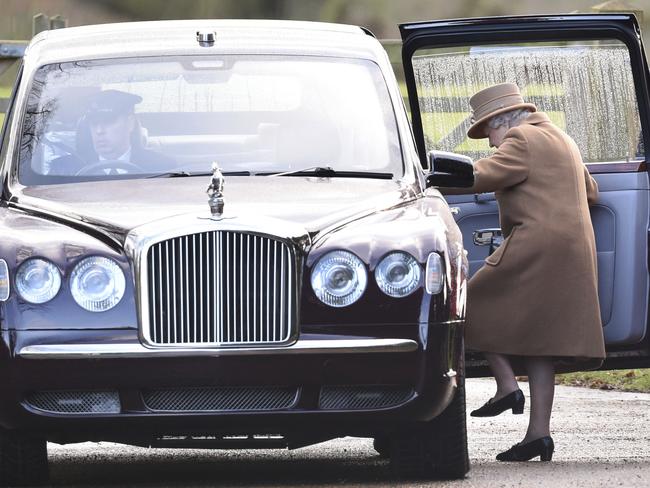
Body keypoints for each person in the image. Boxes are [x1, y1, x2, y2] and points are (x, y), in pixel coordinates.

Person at [455, 83, 605, 462]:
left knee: (465, 306)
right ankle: (538, 435)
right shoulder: (561, 137)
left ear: (501, 121)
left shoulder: (520, 138)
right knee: (541, 344)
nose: (490, 142)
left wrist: (427, 175)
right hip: (572, 250)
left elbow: (480, 177)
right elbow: (592, 192)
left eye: (488, 131)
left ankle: (507, 386)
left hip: (536, 244)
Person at [50, 89, 174, 175]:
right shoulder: (64, 169)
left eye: (108, 122)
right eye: (94, 123)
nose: (99, 131)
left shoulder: (161, 167)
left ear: (130, 123)